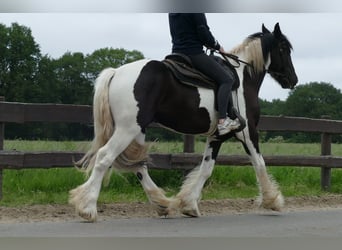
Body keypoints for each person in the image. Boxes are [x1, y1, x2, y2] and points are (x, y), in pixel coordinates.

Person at [168, 13, 241, 135]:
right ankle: (223, 121)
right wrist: (217, 46)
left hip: (176, 53)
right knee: (227, 80)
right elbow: (203, 33)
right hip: (193, 54)